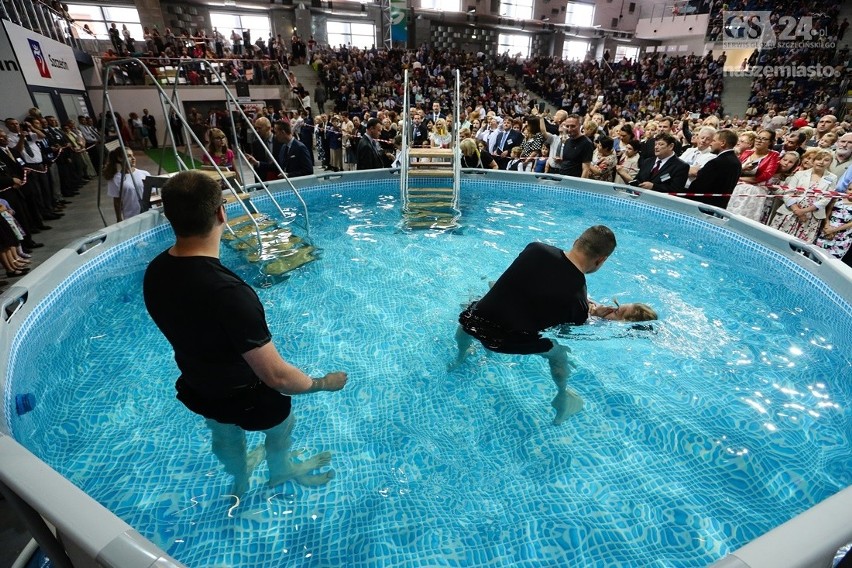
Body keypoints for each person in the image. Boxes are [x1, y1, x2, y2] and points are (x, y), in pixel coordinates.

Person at [143, 171, 348, 495]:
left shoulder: (155, 272)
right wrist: (322, 384)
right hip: (245, 395)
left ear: (169, 216)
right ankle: (280, 471)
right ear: (221, 213)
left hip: (198, 386)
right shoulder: (230, 293)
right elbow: (277, 378)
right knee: (281, 428)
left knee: (224, 433)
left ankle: (239, 478)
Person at [451, 225, 617, 424]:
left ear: (576, 242)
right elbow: (562, 331)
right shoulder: (579, 300)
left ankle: (461, 356)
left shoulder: (535, 249)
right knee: (559, 351)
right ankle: (563, 395)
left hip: (472, 323)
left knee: (477, 304)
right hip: (507, 342)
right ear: (601, 260)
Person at [688, 129, 742, 208]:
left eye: (713, 141)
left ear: (723, 143)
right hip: (719, 207)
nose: (711, 144)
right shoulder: (737, 162)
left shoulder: (716, 162)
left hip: (703, 207)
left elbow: (699, 185)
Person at [103, 147, 150, 222]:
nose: (133, 158)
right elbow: (117, 202)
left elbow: (153, 194)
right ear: (120, 159)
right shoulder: (115, 179)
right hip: (131, 216)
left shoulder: (144, 174)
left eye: (133, 155)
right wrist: (119, 218)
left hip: (149, 213)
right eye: (129, 156)